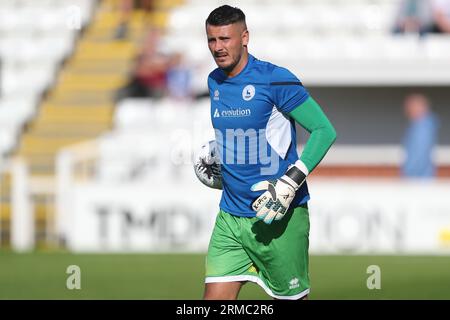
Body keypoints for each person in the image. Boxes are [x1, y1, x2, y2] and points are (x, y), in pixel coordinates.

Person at [203, 5, 336, 300]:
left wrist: (290, 181)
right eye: (212, 40)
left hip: (279, 218)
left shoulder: (276, 79)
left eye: (225, 39)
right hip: (230, 218)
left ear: (245, 37)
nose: (218, 47)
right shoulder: (214, 81)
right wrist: (217, 162)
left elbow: (324, 131)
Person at [401, 93, 439, 178]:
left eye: (410, 107)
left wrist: (409, 175)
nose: (407, 111)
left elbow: (420, 154)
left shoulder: (423, 128)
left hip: (418, 179)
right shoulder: (418, 126)